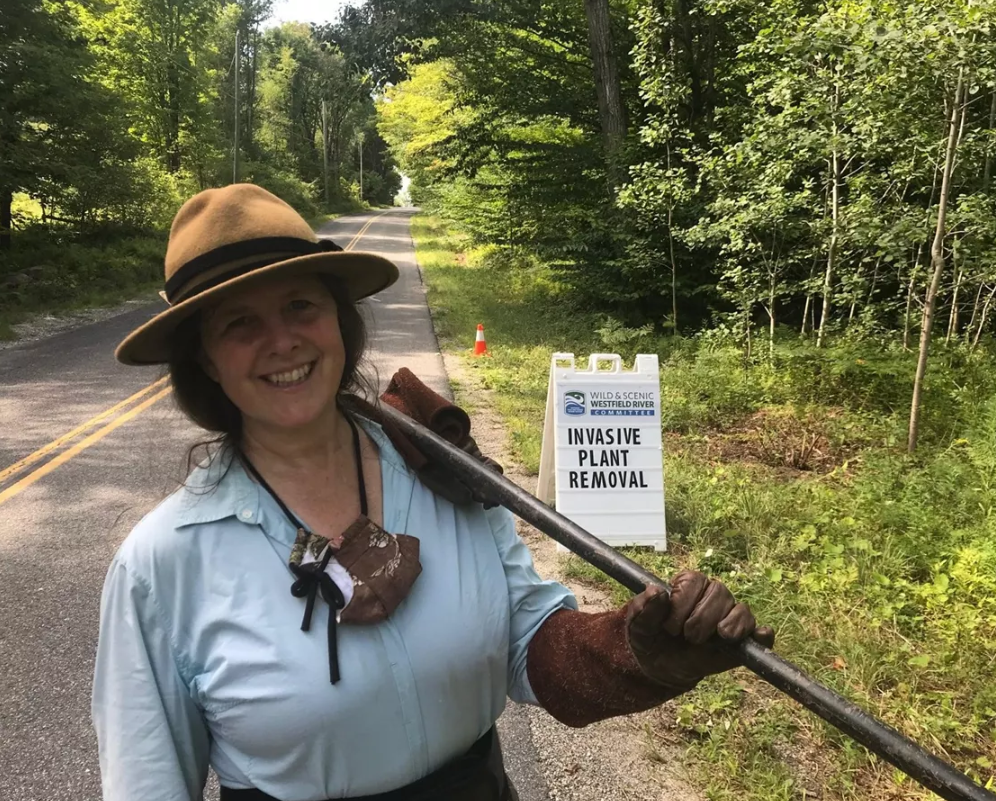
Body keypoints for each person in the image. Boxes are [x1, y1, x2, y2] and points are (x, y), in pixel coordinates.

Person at [92, 184, 775, 801]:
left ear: (338, 319)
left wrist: (637, 651)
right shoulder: (165, 563)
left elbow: (530, 645)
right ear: (206, 360)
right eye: (239, 323)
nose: (281, 340)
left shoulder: (438, 466)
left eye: (301, 305)